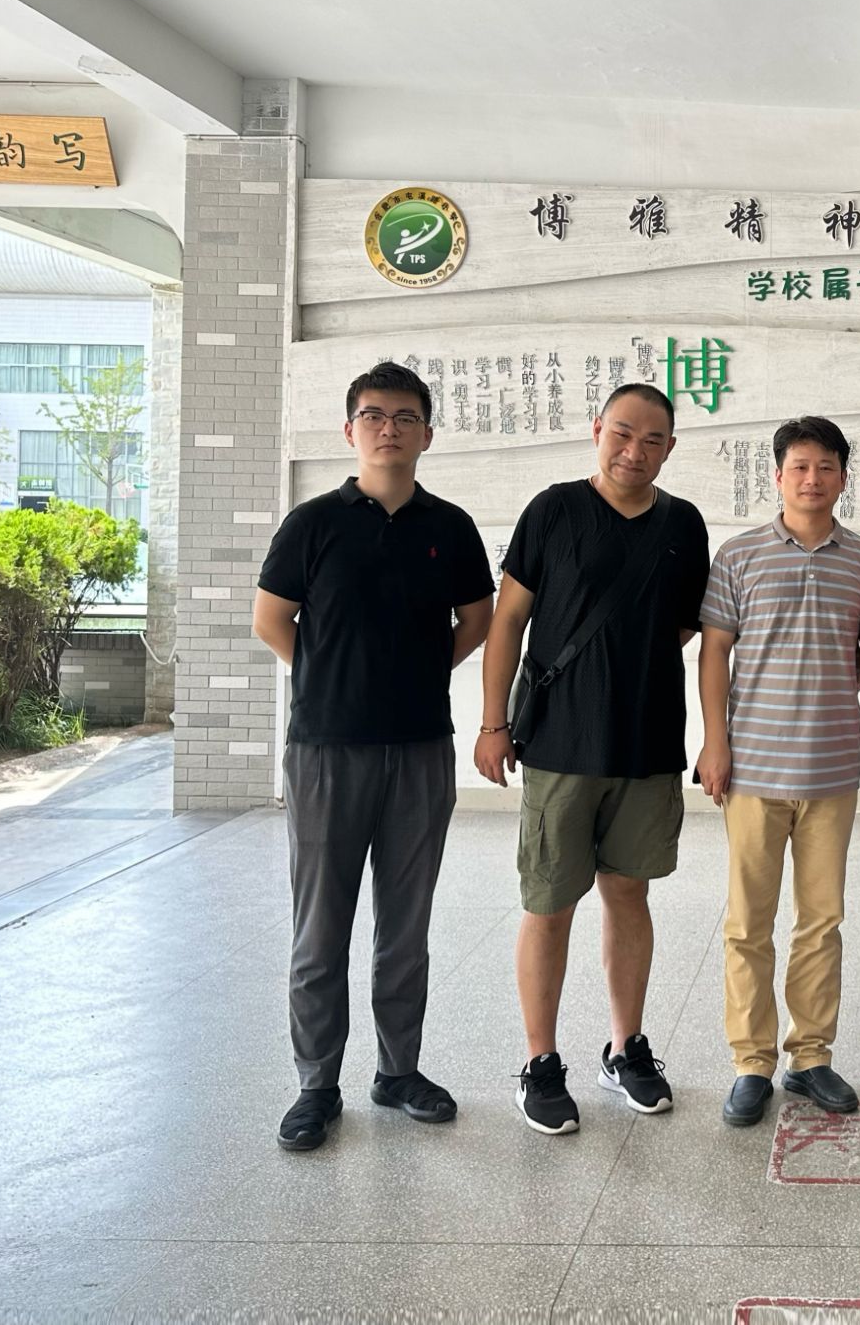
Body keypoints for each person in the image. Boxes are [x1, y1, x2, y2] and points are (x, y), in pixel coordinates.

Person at [253, 361, 496, 1152]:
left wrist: (417, 676)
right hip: (327, 750)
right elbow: (271, 620)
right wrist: (331, 678)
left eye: (405, 416)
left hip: (421, 749)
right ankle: (316, 1085)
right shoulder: (313, 523)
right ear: (349, 430)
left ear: (427, 433)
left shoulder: (449, 527)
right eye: (373, 415)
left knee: (405, 927)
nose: (389, 428)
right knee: (320, 930)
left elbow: (477, 619)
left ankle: (398, 1072)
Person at [475, 383, 710, 1136]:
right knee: (549, 904)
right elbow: (509, 621)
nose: (634, 451)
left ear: (669, 449)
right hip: (560, 745)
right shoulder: (553, 510)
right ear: (596, 430)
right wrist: (492, 723)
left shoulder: (683, 524)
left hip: (646, 744)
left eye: (652, 440)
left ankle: (624, 1048)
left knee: (629, 895)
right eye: (622, 433)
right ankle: (541, 1062)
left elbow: (681, 627)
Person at [698, 416, 860, 1128]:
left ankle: (809, 1056)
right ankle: (750, 1064)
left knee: (821, 921)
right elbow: (714, 652)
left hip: (832, 770)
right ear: (777, 476)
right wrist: (714, 743)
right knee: (748, 923)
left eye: (826, 467)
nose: (813, 478)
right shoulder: (739, 555)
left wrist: (821, 697)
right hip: (751, 767)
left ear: (843, 477)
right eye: (800, 467)